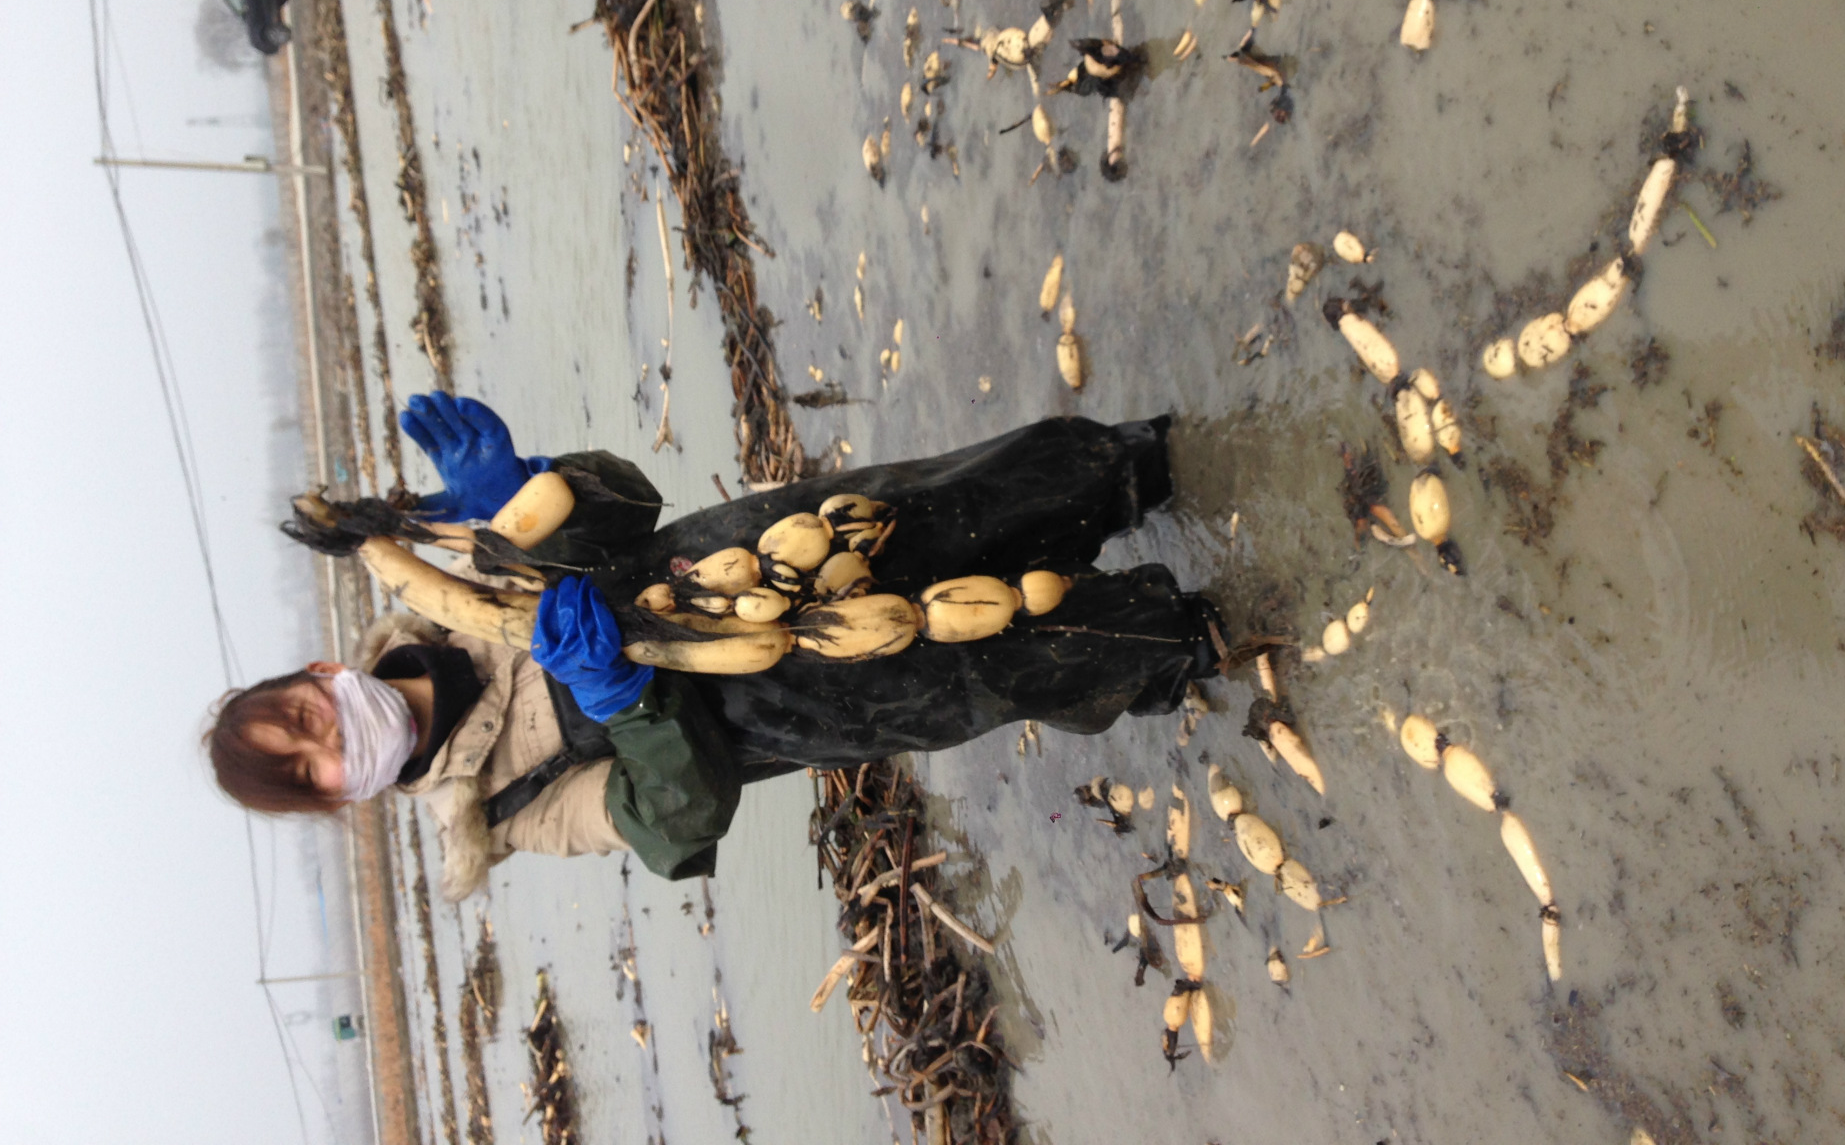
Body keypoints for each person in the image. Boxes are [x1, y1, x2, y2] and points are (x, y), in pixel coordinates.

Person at [207, 394, 1220, 897]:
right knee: (1082, 646)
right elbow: (683, 822)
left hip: (784, 545)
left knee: (1024, 487)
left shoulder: (468, 577)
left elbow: (629, 503)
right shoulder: (509, 811)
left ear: (322, 674)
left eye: (303, 720)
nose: (332, 742)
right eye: (315, 769)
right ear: (341, 795)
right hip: (842, 691)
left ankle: (1184, 464)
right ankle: (1211, 637)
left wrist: (526, 496)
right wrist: (618, 700)